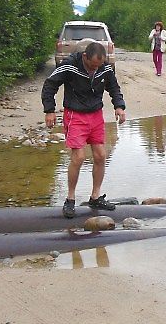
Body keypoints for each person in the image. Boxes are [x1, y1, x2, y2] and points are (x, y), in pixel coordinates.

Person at [41, 41, 126, 218]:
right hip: (75, 115)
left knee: (101, 155)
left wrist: (119, 106)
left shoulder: (105, 68)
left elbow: (113, 87)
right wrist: (49, 110)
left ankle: (95, 197)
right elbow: (50, 85)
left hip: (96, 115)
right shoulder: (70, 65)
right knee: (78, 157)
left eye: (98, 66)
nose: (95, 69)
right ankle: (70, 199)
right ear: (85, 57)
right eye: (92, 65)